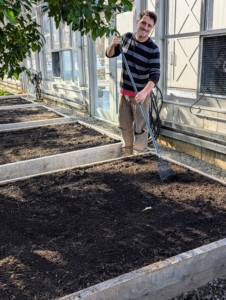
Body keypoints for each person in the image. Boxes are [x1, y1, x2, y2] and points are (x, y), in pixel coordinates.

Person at [106, 10, 160, 156]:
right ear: (138, 22)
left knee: (141, 128)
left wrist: (145, 92)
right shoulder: (127, 38)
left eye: (149, 26)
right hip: (124, 93)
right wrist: (113, 44)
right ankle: (127, 153)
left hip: (140, 96)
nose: (145, 27)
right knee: (124, 125)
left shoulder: (153, 49)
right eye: (143, 23)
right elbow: (110, 54)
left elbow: (155, 75)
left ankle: (140, 154)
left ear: (151, 28)